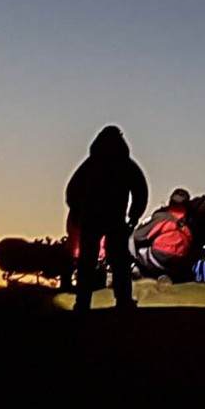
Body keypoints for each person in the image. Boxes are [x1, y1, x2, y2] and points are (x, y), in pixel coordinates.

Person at [65, 125, 149, 311]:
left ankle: (83, 302)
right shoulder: (126, 165)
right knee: (119, 261)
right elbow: (140, 192)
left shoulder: (90, 165)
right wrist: (134, 217)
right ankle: (123, 300)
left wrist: (78, 215)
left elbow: (71, 192)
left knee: (87, 261)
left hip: (91, 219)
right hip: (115, 219)